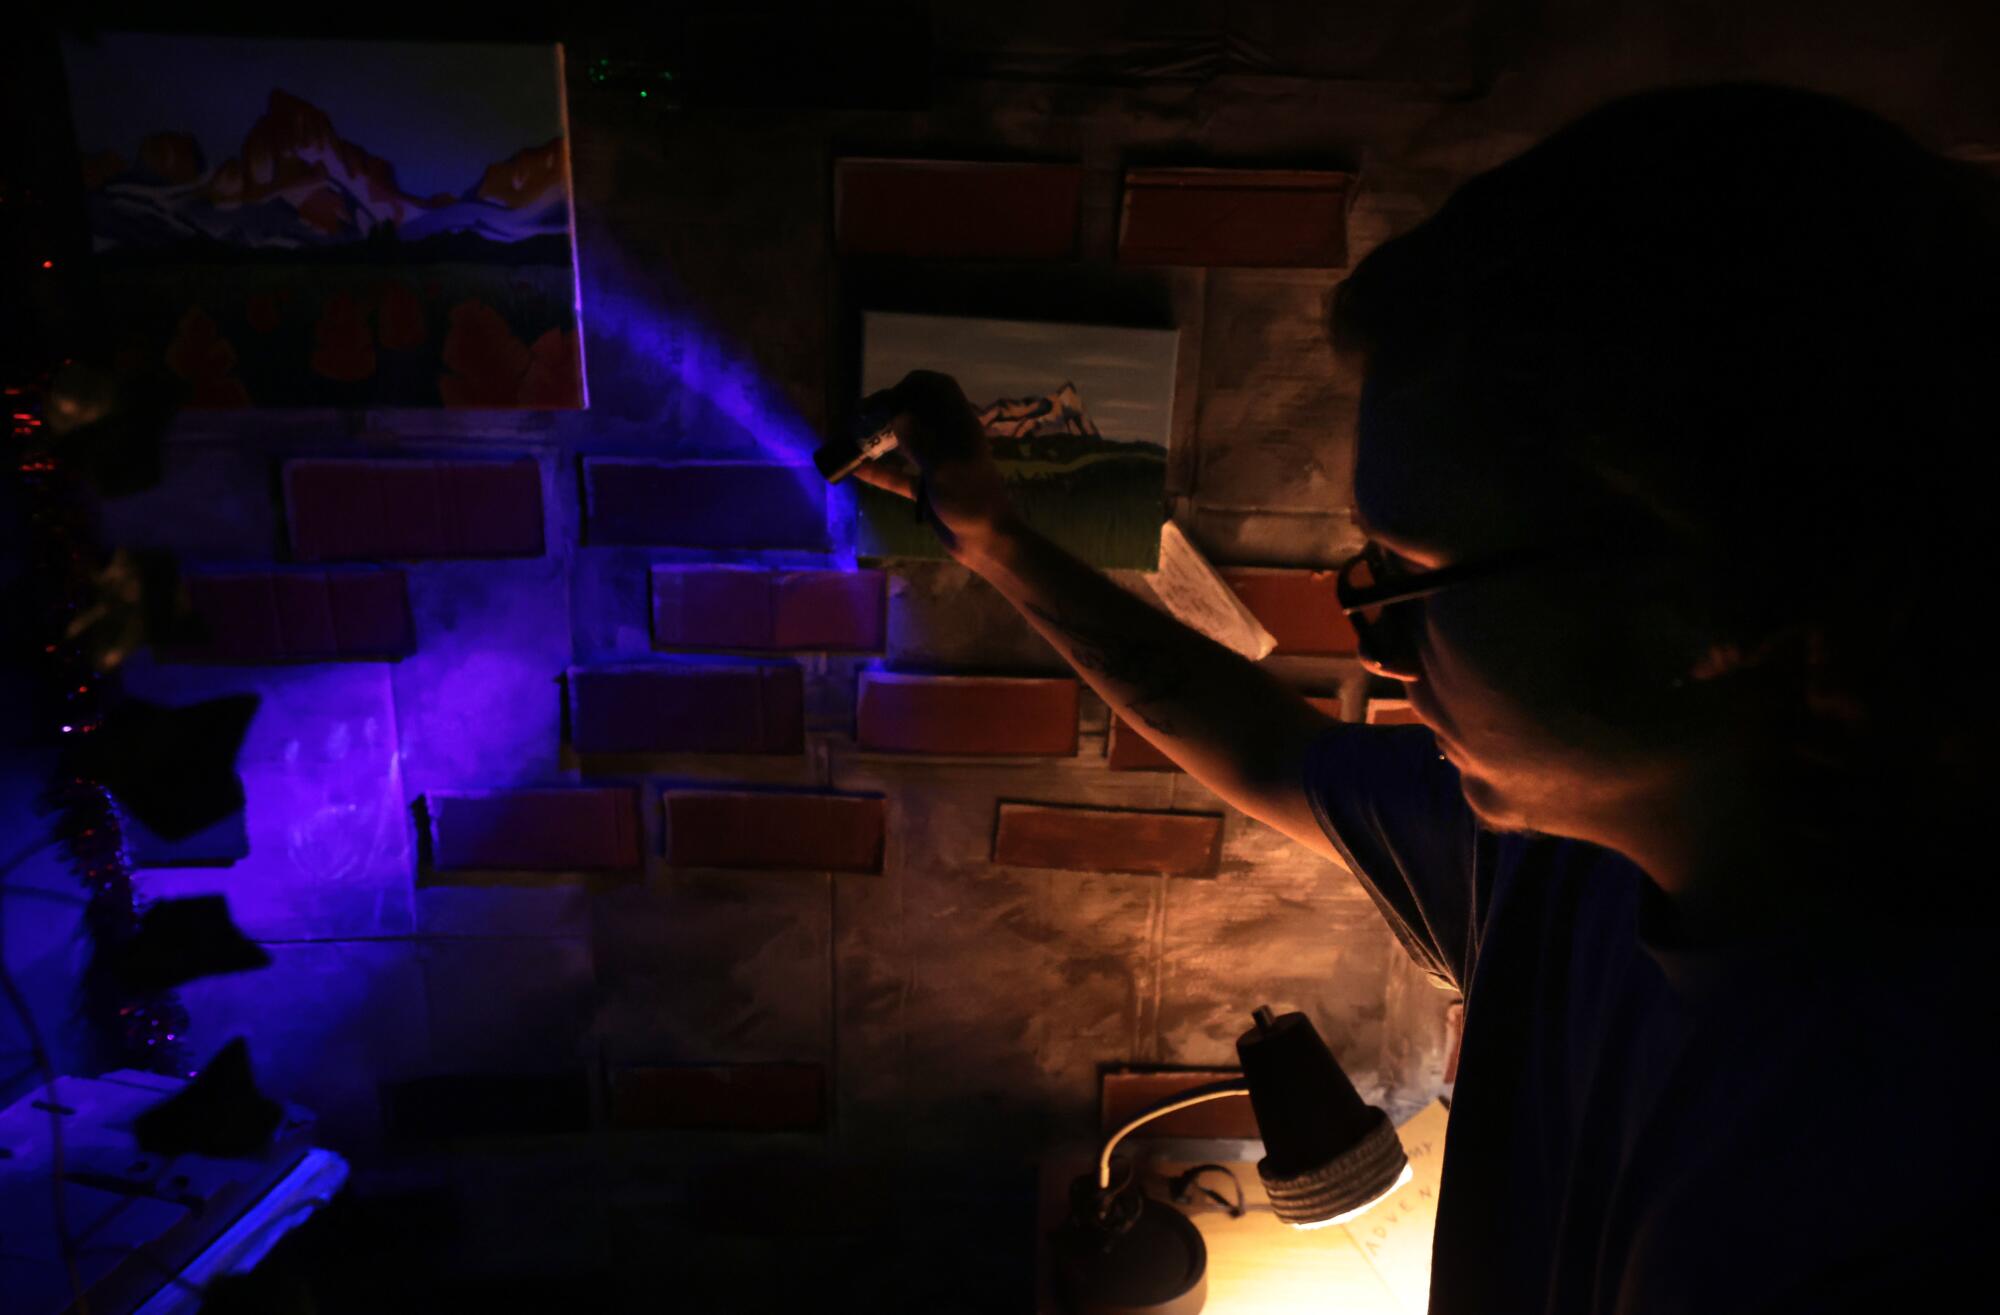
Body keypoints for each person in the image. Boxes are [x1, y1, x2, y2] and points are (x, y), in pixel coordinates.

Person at [852, 83, 1998, 1313]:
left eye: (1415, 575)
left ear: (1714, 604)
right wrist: (994, 541)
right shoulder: (1572, 862)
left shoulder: (1902, 1163)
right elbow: (1260, 743)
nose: (1382, 651)